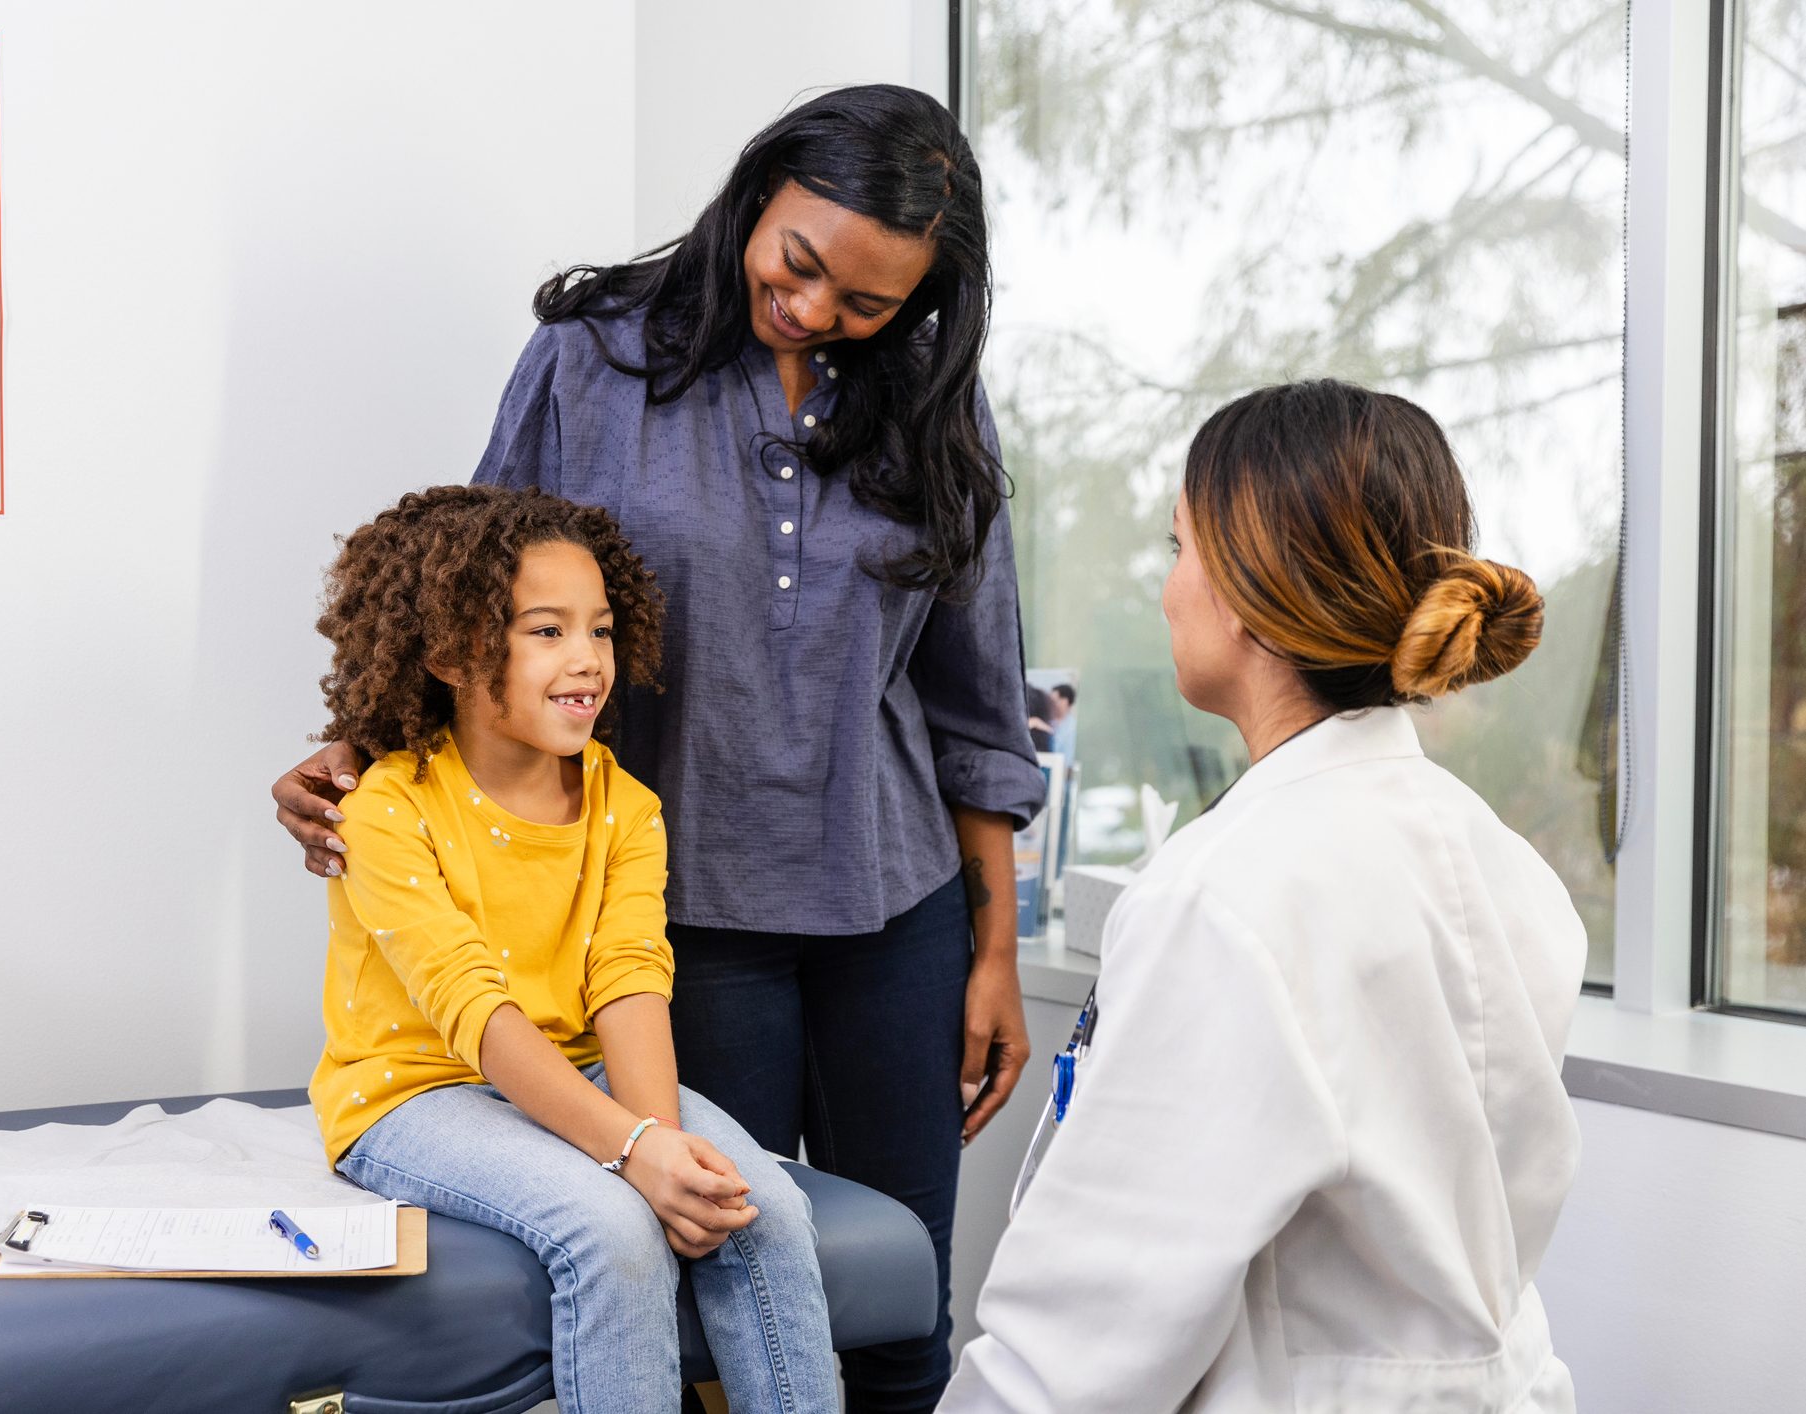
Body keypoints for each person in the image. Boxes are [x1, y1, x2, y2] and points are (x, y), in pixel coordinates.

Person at [274, 85, 1043, 1408]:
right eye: (797, 263)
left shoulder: (930, 407)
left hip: (894, 908)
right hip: (682, 911)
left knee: (904, 1303)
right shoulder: (594, 359)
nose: (811, 310)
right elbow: (475, 586)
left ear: (918, 305)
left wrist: (992, 952)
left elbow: (976, 705)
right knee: (712, 1271)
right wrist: (359, 750)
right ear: (757, 195)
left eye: (864, 304)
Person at [941, 381, 1586, 1412]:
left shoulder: (1227, 896)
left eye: (1178, 548)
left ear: (1247, 588)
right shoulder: (1505, 867)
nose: (1168, 589)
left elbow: (1081, 1342)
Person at [310, 485, 837, 1413]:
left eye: (599, 630)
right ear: (447, 651)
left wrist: (666, 1154)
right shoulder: (387, 809)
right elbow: (470, 1007)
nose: (588, 660)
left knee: (760, 1210)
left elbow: (630, 982)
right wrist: (631, 1155)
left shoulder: (624, 807)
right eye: (546, 631)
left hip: (580, 1071)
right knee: (614, 1231)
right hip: (412, 1095)